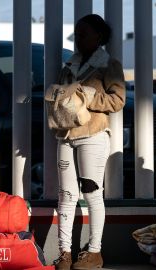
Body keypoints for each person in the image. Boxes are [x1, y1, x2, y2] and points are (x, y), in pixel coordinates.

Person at [51, 14, 126, 270]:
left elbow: (117, 100)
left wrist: (88, 97)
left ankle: (94, 252)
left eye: (83, 34)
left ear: (99, 37)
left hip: (93, 136)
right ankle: (65, 253)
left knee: (92, 194)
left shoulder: (109, 65)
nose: (78, 38)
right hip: (65, 135)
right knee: (66, 195)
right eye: (77, 33)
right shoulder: (68, 65)